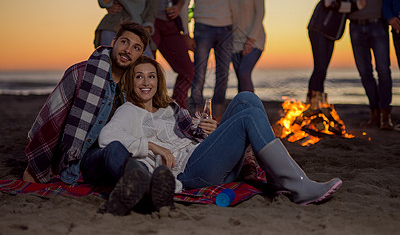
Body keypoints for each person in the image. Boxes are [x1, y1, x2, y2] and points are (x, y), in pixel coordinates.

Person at [98, 55, 343, 210]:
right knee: (248, 117)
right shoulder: (128, 110)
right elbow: (106, 138)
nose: (145, 82)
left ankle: (278, 181)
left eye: (151, 76)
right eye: (139, 76)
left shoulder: (169, 108)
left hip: (203, 158)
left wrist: (212, 132)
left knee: (246, 99)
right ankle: (298, 185)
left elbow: (190, 137)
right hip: (189, 172)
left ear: (158, 81)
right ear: (131, 83)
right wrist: (151, 146)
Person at [22, 22, 174, 215]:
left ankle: (140, 187)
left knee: (116, 148)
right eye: (124, 42)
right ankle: (145, 189)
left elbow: (160, 108)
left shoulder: (133, 87)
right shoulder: (81, 73)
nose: (128, 50)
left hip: (113, 156)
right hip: (81, 160)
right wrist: (35, 167)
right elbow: (51, 121)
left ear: (140, 55)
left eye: (136, 48)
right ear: (113, 42)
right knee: (114, 148)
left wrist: (197, 125)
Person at [323, 0, 396, 129]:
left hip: (377, 25)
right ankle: (374, 112)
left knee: (383, 70)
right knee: (364, 72)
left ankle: (385, 116)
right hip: (355, 26)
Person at [182, 0, 233, 120]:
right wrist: (186, 33)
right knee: (199, 75)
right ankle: (195, 120)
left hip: (227, 29)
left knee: (223, 76)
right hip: (202, 29)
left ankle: (217, 120)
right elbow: (184, 4)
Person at [307, 0, 366, 106]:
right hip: (319, 27)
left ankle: (316, 103)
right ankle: (313, 104)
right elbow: (329, 3)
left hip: (331, 32)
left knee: (323, 69)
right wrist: (355, 6)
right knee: (320, 68)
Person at [144, 0, 194, 108]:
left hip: (171, 21)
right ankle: (147, 107)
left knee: (188, 70)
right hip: (150, 22)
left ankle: (176, 109)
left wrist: (179, 7)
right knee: (146, 67)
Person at [230, 0, 266, 93]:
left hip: (255, 39)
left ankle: (253, 112)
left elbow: (260, 12)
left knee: (244, 73)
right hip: (234, 41)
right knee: (240, 78)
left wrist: (251, 40)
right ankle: (242, 113)